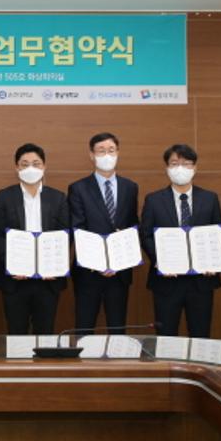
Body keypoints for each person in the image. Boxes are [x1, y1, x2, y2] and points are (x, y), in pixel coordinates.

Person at [140, 144, 221, 338]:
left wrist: (214, 262)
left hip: (201, 281)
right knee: (166, 336)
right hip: (167, 281)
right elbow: (146, 235)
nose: (180, 168)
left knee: (201, 336)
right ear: (167, 168)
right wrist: (160, 261)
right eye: (174, 163)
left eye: (186, 164)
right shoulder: (153, 200)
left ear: (195, 168)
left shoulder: (210, 198)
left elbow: (218, 234)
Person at [0, 143, 70, 334]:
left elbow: (65, 235)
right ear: (17, 167)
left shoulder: (58, 198)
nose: (30, 169)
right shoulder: (4, 197)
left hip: (48, 280)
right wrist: (13, 265)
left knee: (45, 332)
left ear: (44, 166)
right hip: (15, 279)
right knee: (16, 333)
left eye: (36, 163)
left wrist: (54, 265)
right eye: (25, 164)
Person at [67, 133, 139, 334]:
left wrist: (121, 252)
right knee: (84, 329)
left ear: (118, 153)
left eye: (111, 150)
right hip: (88, 272)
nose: (107, 155)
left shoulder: (130, 187)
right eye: (101, 151)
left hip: (120, 272)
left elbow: (133, 224)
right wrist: (99, 262)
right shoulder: (78, 188)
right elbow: (77, 228)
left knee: (118, 329)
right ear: (91, 155)